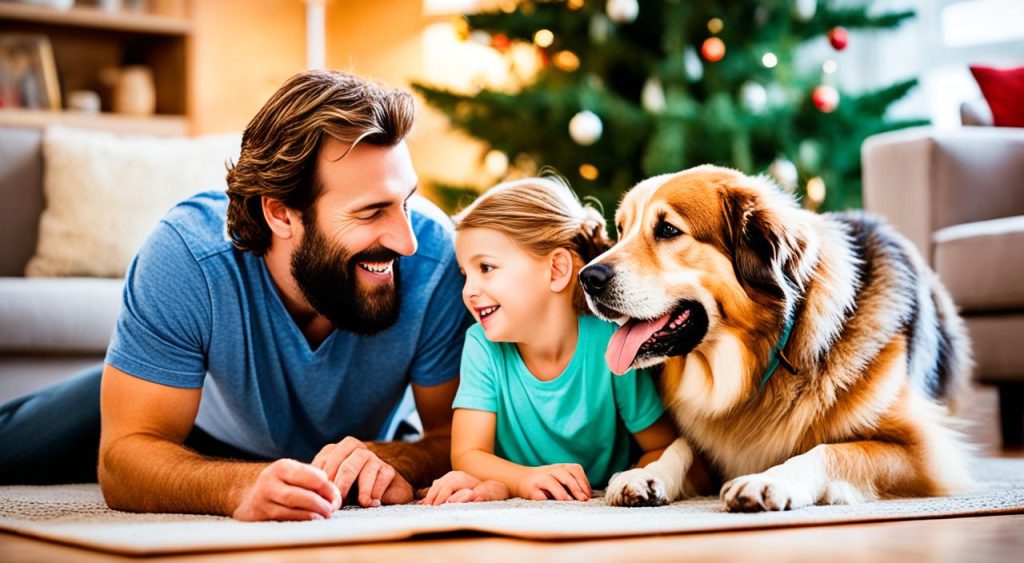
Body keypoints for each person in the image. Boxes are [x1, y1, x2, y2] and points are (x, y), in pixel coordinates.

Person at [0, 70, 469, 521]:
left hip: (363, 438)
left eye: (405, 201)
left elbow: (455, 435)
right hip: (196, 420)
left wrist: (393, 459)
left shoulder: (432, 259)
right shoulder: (188, 255)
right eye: (371, 212)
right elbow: (124, 458)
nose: (406, 241)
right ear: (280, 213)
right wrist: (237, 486)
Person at [420, 176, 677, 505]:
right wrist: (521, 480)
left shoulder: (611, 343)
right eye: (464, 274)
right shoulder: (481, 346)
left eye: (486, 267)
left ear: (556, 269)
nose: (468, 290)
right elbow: (468, 454)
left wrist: (630, 484)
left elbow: (661, 447)